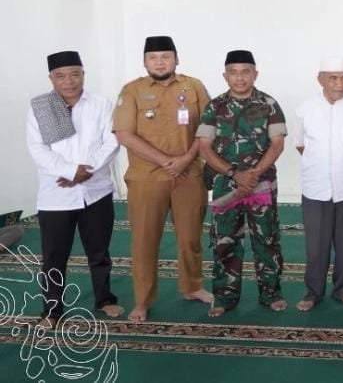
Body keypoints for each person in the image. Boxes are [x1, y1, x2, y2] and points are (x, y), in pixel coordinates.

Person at [112, 36, 213, 322]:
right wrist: (165, 161)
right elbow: (124, 134)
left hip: (189, 175)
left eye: (166, 56)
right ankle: (143, 301)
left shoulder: (193, 87)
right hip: (146, 178)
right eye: (153, 57)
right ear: (145, 62)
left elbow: (208, 127)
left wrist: (186, 159)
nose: (160, 62)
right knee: (144, 241)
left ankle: (192, 287)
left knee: (190, 238)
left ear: (176, 59)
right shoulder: (132, 90)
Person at [27, 51, 122, 325]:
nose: (68, 81)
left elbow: (112, 142)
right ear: (51, 78)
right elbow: (38, 149)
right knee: (54, 257)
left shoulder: (101, 104)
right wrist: (71, 172)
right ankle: (52, 311)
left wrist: (84, 172)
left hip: (96, 191)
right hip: (56, 196)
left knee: (99, 252)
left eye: (74, 74)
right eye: (60, 76)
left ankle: (104, 299)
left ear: (83, 74)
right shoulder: (40, 107)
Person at [196, 50, 287, 317]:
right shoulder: (214, 107)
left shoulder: (269, 104)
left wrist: (254, 174)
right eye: (233, 73)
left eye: (245, 72)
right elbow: (204, 147)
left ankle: (271, 294)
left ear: (255, 74)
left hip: (261, 184)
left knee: (266, 238)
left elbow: (277, 144)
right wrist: (235, 174)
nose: (239, 78)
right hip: (226, 185)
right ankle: (224, 297)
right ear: (225, 76)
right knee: (225, 240)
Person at [292, 56, 343, 311]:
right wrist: (323, 163)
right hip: (315, 187)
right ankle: (313, 291)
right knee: (316, 245)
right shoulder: (305, 108)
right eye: (333, 78)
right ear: (320, 79)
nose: (340, 83)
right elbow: (300, 144)